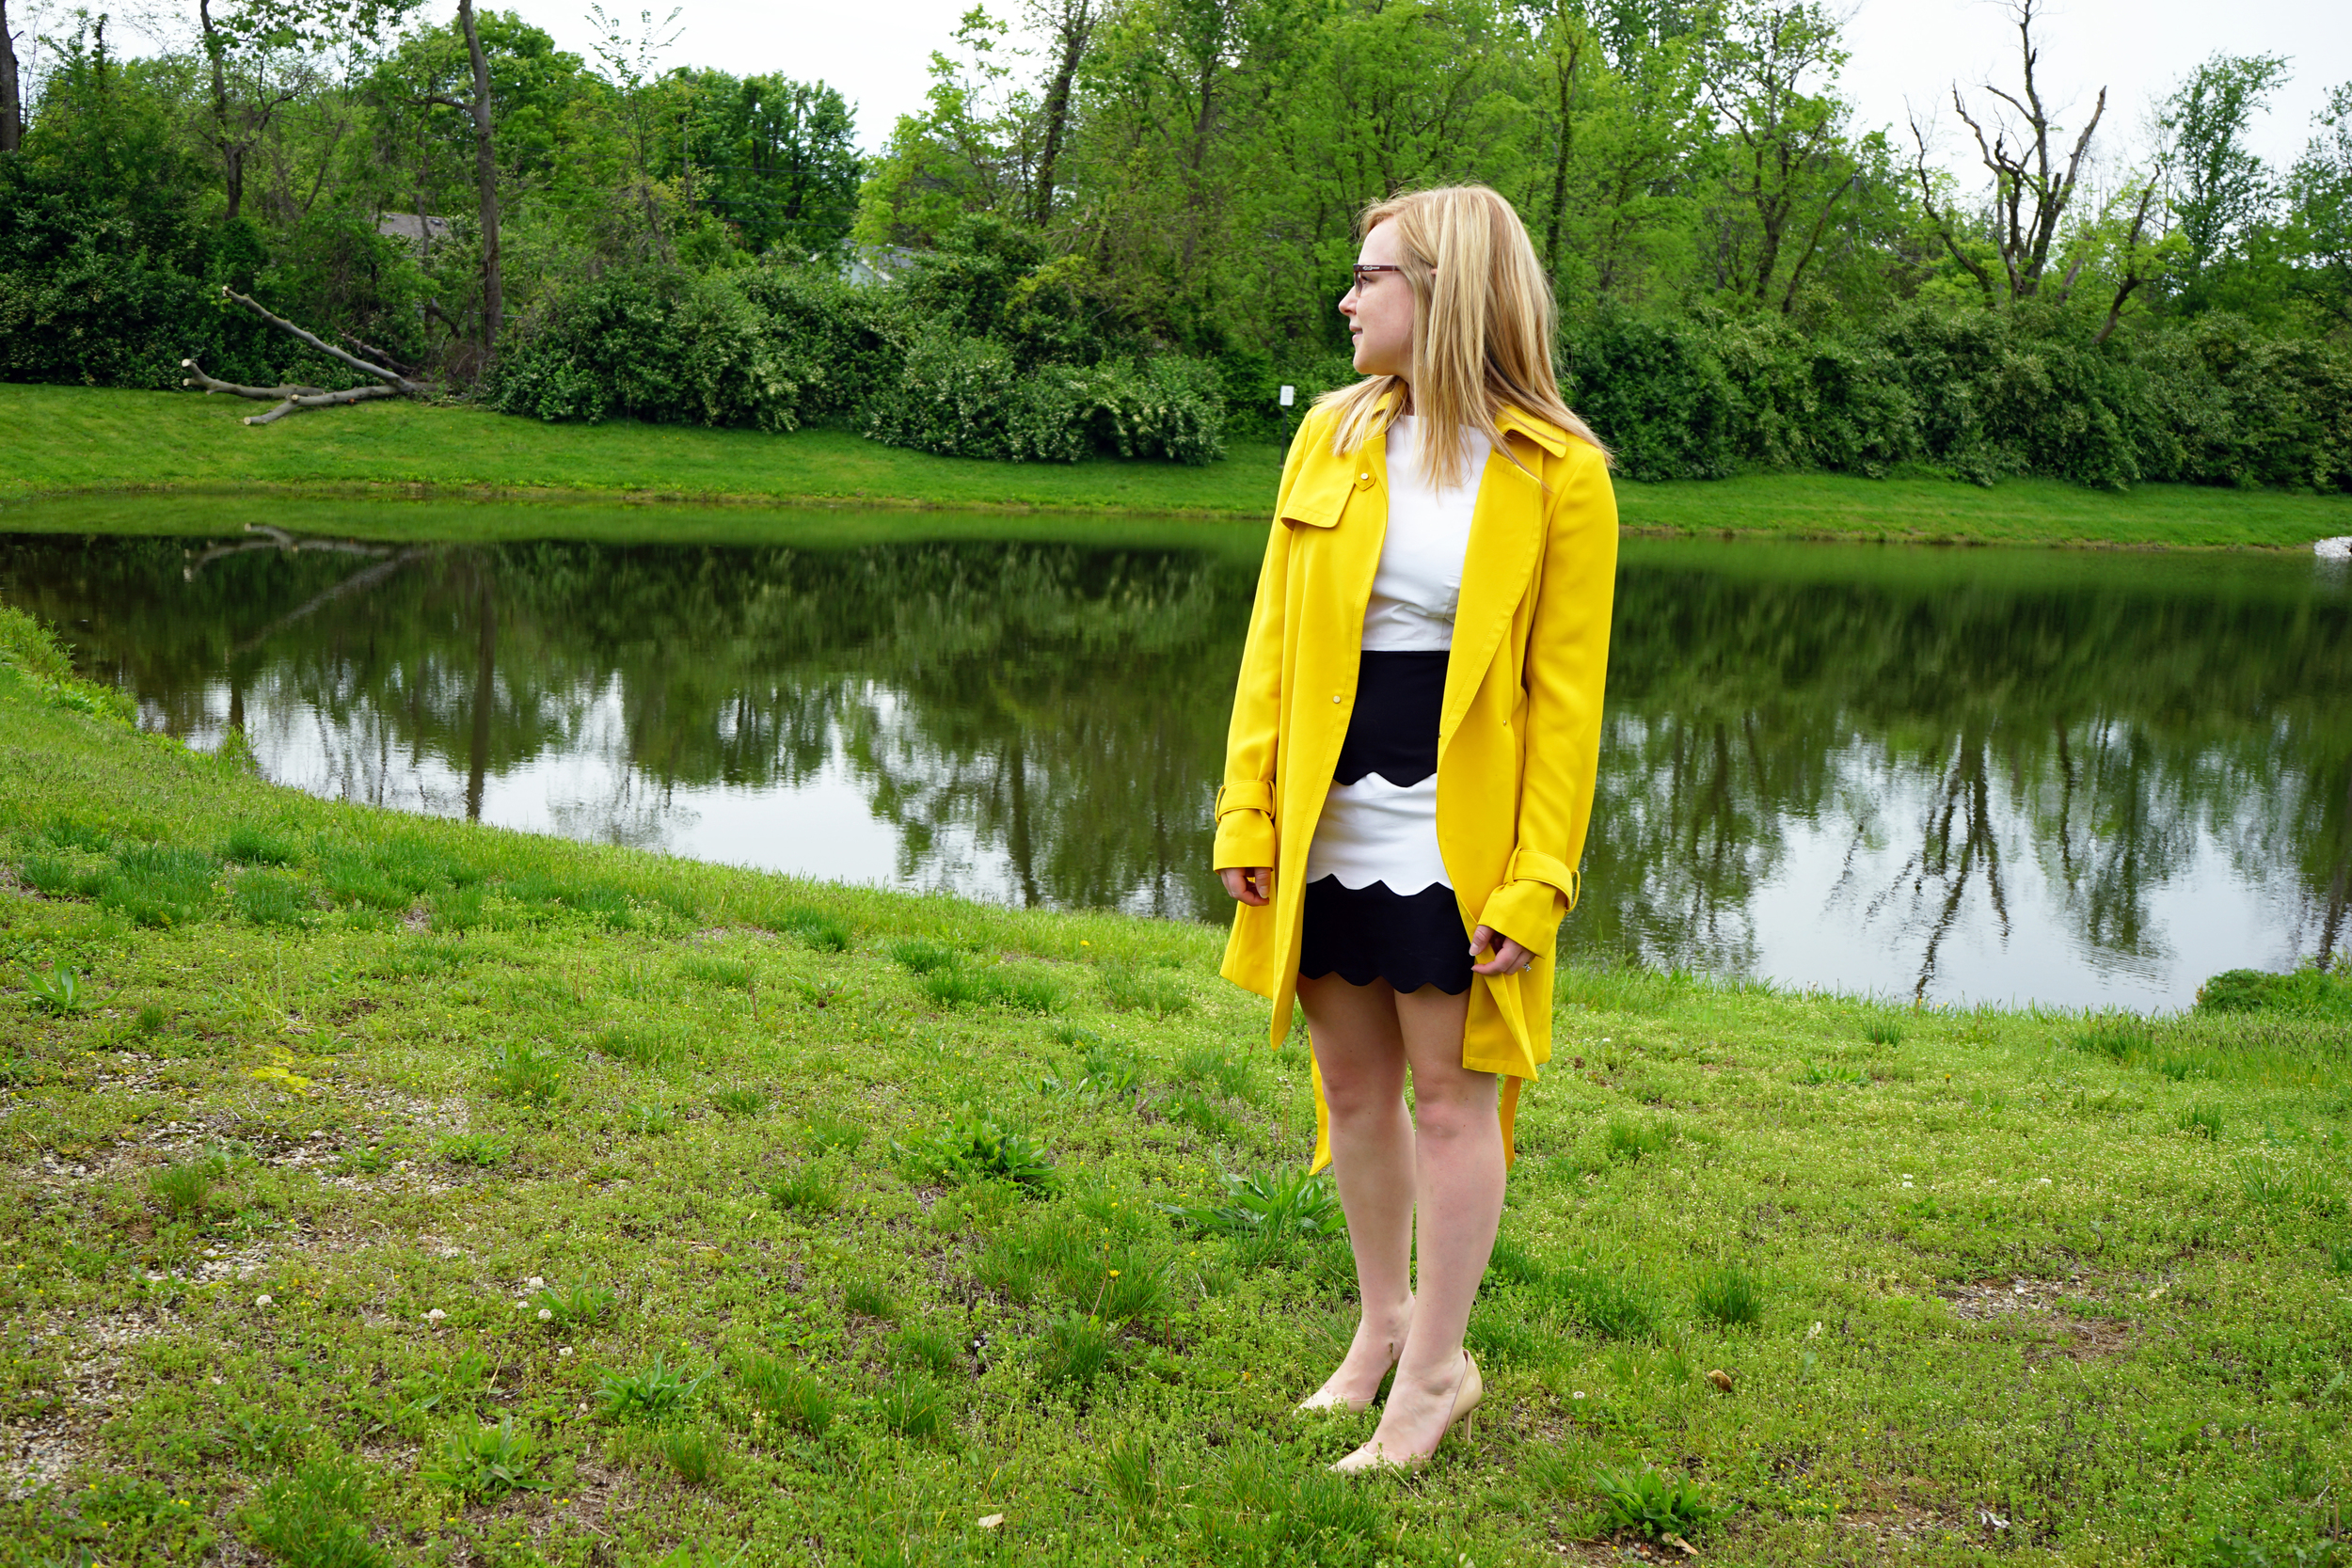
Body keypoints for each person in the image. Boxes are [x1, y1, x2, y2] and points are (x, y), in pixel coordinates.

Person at [1212, 184, 1617, 1472]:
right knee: (1348, 1086)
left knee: (1452, 1103)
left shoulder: (1560, 474)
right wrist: (1248, 801)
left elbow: (1567, 705)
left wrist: (1540, 879)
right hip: (1327, 823)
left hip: (1463, 846)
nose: (1347, 298)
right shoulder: (1327, 441)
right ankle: (1383, 1326)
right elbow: (1271, 645)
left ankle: (1439, 1373)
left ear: (1442, 296)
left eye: (1369, 276)